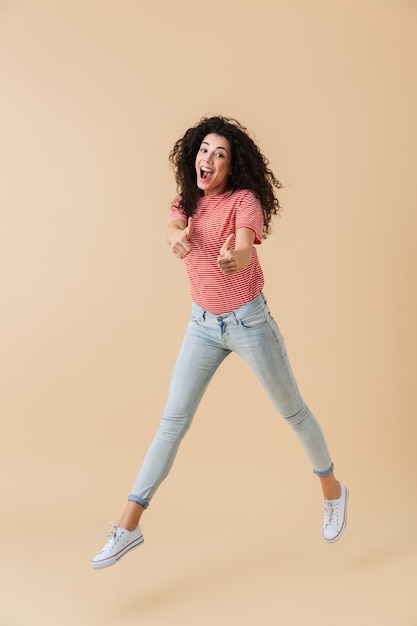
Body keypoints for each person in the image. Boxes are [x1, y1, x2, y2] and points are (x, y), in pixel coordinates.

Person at [90, 115, 349, 569]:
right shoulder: (186, 202)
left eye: (219, 154)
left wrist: (240, 253)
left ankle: (333, 490)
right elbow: (171, 229)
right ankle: (127, 526)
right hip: (202, 326)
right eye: (204, 150)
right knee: (172, 423)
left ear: (232, 167)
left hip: (249, 322)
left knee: (293, 411)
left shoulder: (243, 200)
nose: (208, 159)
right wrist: (175, 240)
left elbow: (247, 240)